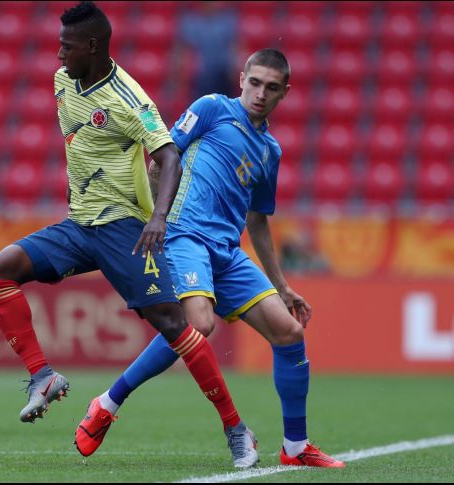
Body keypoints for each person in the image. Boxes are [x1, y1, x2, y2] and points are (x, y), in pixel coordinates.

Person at [0, 1, 258, 469]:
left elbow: (169, 156)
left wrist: (158, 218)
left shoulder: (130, 101)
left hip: (124, 228)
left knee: (173, 325)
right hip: (79, 224)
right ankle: (42, 376)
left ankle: (236, 428)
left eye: (67, 46)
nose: (58, 54)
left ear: (92, 46)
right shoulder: (63, 81)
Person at [74, 48, 345, 468]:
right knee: (199, 324)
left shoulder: (270, 151)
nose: (261, 94)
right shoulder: (212, 108)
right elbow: (161, 160)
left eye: (272, 88)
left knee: (289, 332)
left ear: (284, 93)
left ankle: (295, 447)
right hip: (185, 235)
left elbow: (258, 220)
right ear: (242, 79)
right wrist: (155, 219)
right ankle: (108, 403)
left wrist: (283, 286)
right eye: (255, 83)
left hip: (227, 251)